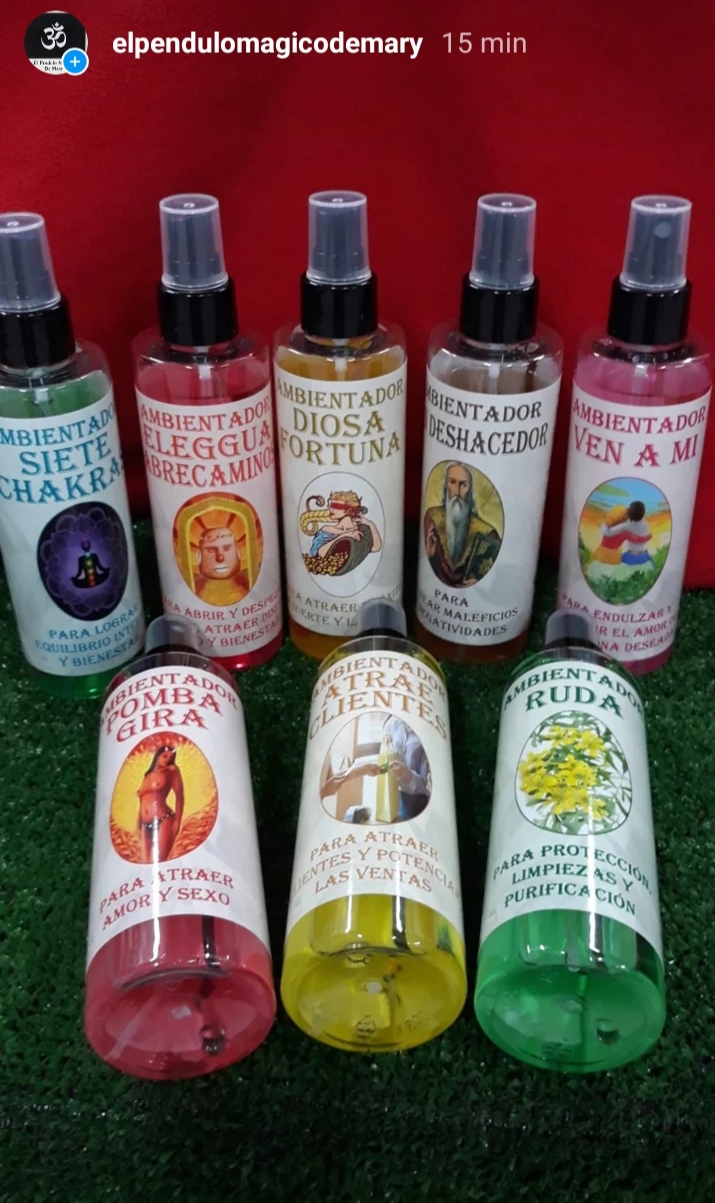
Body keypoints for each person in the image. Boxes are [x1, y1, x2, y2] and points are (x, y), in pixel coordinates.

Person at [321, 715, 431, 823]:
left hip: (417, 803)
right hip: (395, 800)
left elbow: (426, 785)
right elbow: (332, 785)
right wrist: (363, 770)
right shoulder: (392, 723)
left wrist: (405, 773)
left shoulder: (427, 735)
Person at [424, 462, 501, 587]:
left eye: (463, 485)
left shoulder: (487, 532)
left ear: (470, 491)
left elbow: (493, 576)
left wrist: (479, 582)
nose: (457, 492)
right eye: (452, 482)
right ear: (445, 486)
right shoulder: (432, 518)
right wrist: (429, 554)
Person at [136, 745, 185, 863]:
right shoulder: (147, 776)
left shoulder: (171, 770)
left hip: (163, 819)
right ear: (157, 756)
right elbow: (142, 800)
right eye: (165, 756)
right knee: (146, 865)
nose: (167, 759)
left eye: (171, 758)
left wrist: (177, 821)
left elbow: (179, 796)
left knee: (158, 861)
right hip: (145, 825)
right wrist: (139, 821)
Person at [193, 525, 249, 604]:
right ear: (198, 556)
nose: (220, 557)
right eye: (211, 550)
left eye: (227, 548)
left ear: (238, 552)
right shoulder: (194, 588)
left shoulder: (247, 584)